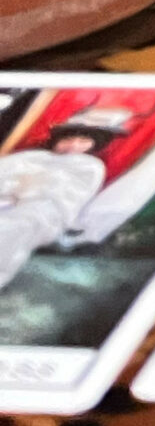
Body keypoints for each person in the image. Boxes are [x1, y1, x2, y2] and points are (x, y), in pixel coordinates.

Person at [0, 116, 122, 294]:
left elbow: (63, 194)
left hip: (44, 211)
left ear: (93, 144)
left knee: (14, 226)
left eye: (82, 141)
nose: (73, 145)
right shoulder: (32, 157)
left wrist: (26, 193)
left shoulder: (90, 166)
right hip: (9, 200)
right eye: (68, 139)